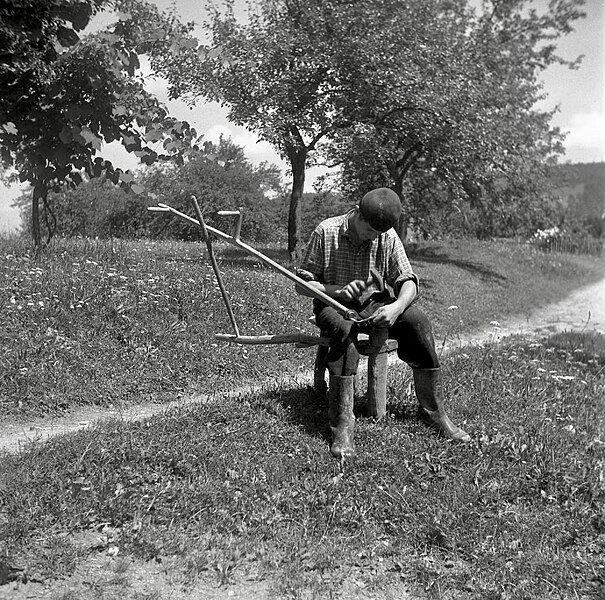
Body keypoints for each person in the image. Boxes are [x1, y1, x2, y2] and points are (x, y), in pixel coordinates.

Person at [296, 187, 470, 459]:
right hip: (331, 304)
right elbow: (303, 286)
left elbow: (408, 280)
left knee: (417, 322)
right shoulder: (325, 232)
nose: (374, 238)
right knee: (343, 330)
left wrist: (397, 306)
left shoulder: (387, 237)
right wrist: (336, 291)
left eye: (379, 234)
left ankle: (433, 414)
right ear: (357, 214)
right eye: (370, 232)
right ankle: (342, 424)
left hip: (375, 302)